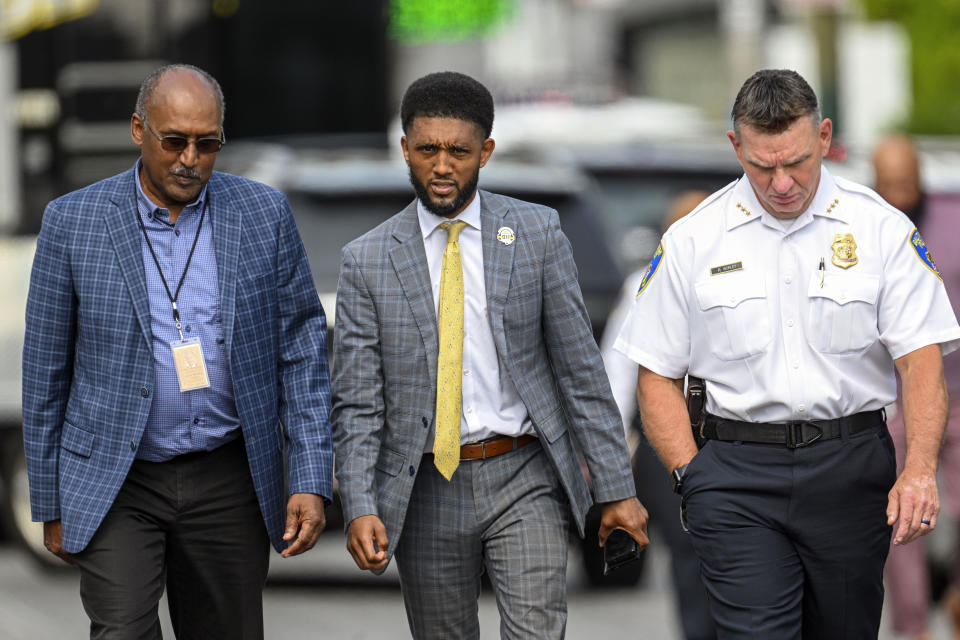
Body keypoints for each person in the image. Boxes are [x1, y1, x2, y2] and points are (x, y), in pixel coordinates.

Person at [614, 69, 960, 639]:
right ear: (735, 147)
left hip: (850, 470)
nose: (781, 183)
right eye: (761, 166)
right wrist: (690, 476)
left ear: (823, 137)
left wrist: (919, 470)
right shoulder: (693, 240)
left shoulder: (879, 229)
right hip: (735, 477)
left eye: (796, 162)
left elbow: (919, 360)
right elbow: (654, 374)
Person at [331, 70, 648, 639]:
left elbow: (582, 375)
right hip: (425, 484)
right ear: (406, 149)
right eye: (427, 149)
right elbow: (357, 402)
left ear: (486, 151)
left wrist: (617, 491)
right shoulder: (367, 260)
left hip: (523, 471)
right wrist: (358, 502)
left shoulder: (537, 233)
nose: (443, 165)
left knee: (535, 630)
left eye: (459, 150)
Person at [22, 64, 333, 638]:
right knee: (122, 630)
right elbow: (45, 371)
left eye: (207, 143)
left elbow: (303, 352)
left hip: (228, 475)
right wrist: (51, 500)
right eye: (174, 141)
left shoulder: (264, 214)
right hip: (119, 477)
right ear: (138, 130)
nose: (190, 158)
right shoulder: (72, 221)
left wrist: (311, 478)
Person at [600, 190, 716, 640]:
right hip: (665, 440)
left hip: (733, 439)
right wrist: (608, 452)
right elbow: (619, 369)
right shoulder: (642, 284)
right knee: (688, 551)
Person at [875, 133, 960, 640]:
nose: (898, 195)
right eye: (888, 185)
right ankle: (912, 626)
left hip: (959, 391)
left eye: (906, 183)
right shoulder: (864, 226)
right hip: (893, 401)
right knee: (902, 514)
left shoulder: (953, 220)